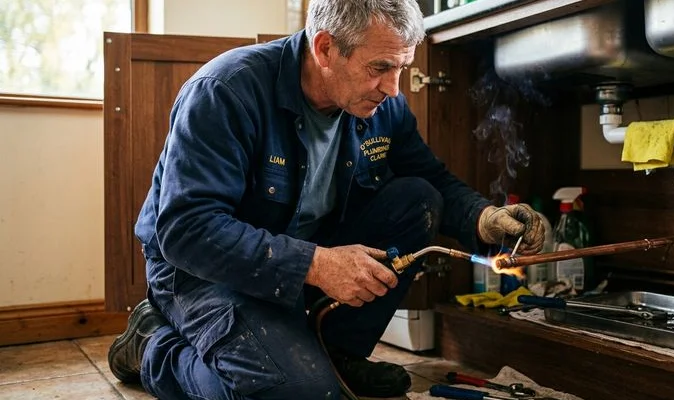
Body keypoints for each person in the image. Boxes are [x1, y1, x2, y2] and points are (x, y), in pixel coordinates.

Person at [107, 0, 546, 399]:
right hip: (201, 271)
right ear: (324, 49)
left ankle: (338, 354)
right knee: (294, 394)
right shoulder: (226, 90)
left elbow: (429, 177)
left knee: (418, 199)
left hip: (299, 257)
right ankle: (152, 347)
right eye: (380, 67)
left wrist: (483, 218)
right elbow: (187, 231)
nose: (393, 88)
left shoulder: (380, 104)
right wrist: (317, 265)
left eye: (401, 67)